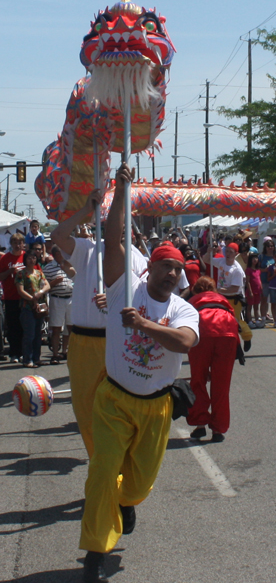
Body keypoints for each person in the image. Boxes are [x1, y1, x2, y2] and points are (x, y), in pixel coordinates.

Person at [79, 164, 198, 582]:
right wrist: (120, 189)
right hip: (112, 399)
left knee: (139, 484)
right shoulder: (121, 287)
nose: (171, 273)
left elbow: (184, 343)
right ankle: (96, 547)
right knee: (100, 473)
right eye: (166, 266)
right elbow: (112, 239)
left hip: (155, 409)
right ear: (152, 269)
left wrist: (144, 325)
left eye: (177, 270)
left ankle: (127, 502)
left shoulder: (184, 309)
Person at [51, 184, 148, 459]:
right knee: (86, 409)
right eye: (111, 222)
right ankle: (102, 467)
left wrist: (118, 299)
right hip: (84, 342)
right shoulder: (86, 249)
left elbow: (143, 293)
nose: (116, 226)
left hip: (120, 338)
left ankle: (119, 466)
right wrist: (84, 210)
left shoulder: (136, 256)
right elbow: (58, 235)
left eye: (121, 222)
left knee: (123, 407)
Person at [187, 276, 239, 443]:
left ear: (196, 289)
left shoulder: (193, 300)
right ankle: (218, 428)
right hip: (228, 333)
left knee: (198, 379)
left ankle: (200, 423)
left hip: (203, 330)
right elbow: (235, 319)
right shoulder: (223, 299)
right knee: (221, 384)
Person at [203, 241, 252, 351]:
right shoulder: (221, 261)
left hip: (234, 299)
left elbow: (235, 288)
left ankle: (246, 337)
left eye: (231, 252)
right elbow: (206, 260)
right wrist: (208, 252)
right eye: (227, 251)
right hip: (222, 297)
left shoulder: (237, 270)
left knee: (236, 322)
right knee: (222, 321)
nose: (228, 254)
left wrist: (218, 289)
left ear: (236, 254)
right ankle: (230, 344)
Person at [15, 249, 50, 368]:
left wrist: (40, 293)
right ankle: (27, 359)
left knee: (37, 334)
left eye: (34, 257)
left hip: (39, 308)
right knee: (29, 335)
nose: (32, 260)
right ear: (25, 259)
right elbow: (20, 291)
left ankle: (37, 358)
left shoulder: (39, 273)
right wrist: (33, 299)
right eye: (29, 258)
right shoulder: (21, 273)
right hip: (27, 308)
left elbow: (47, 285)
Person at [43, 244, 75, 364]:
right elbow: (44, 287)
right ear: (57, 254)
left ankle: (65, 352)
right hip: (57, 299)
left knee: (70, 327)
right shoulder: (48, 268)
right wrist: (54, 283)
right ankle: (55, 354)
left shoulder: (70, 265)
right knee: (56, 328)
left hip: (71, 298)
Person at [0, 233, 26, 362]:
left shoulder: (27, 257)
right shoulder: (5, 259)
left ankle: (23, 352)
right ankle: (14, 353)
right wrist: (11, 271)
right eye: (15, 243)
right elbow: (1, 276)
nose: (17, 245)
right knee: (13, 326)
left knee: (25, 326)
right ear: (11, 244)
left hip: (26, 297)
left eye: (19, 243)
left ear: (23, 244)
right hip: (11, 297)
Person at [257, 238, 276, 326]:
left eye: (272, 246)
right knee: (264, 300)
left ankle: (275, 319)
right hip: (264, 281)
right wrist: (265, 270)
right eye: (268, 246)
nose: (270, 248)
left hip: (274, 281)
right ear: (265, 247)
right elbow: (257, 268)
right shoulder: (261, 257)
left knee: (274, 301)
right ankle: (263, 319)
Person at [245, 253, 262, 326]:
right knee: (249, 307)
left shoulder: (258, 270)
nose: (255, 260)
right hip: (251, 291)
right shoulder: (248, 270)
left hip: (257, 291)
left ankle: (257, 319)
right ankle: (250, 321)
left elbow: (259, 280)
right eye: (253, 258)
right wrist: (250, 291)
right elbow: (248, 281)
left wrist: (261, 288)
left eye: (256, 258)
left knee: (256, 306)